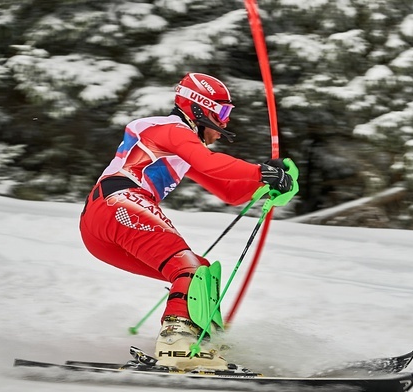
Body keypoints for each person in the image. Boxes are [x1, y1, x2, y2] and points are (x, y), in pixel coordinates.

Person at [79, 72, 296, 370]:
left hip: (101, 225)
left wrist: (267, 184)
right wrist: (261, 171)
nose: (225, 122)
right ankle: (176, 342)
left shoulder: (180, 145)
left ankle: (202, 342)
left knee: (200, 272)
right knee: (189, 269)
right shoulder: (170, 129)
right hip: (119, 203)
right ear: (199, 108)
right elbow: (211, 164)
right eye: (222, 112)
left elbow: (229, 191)